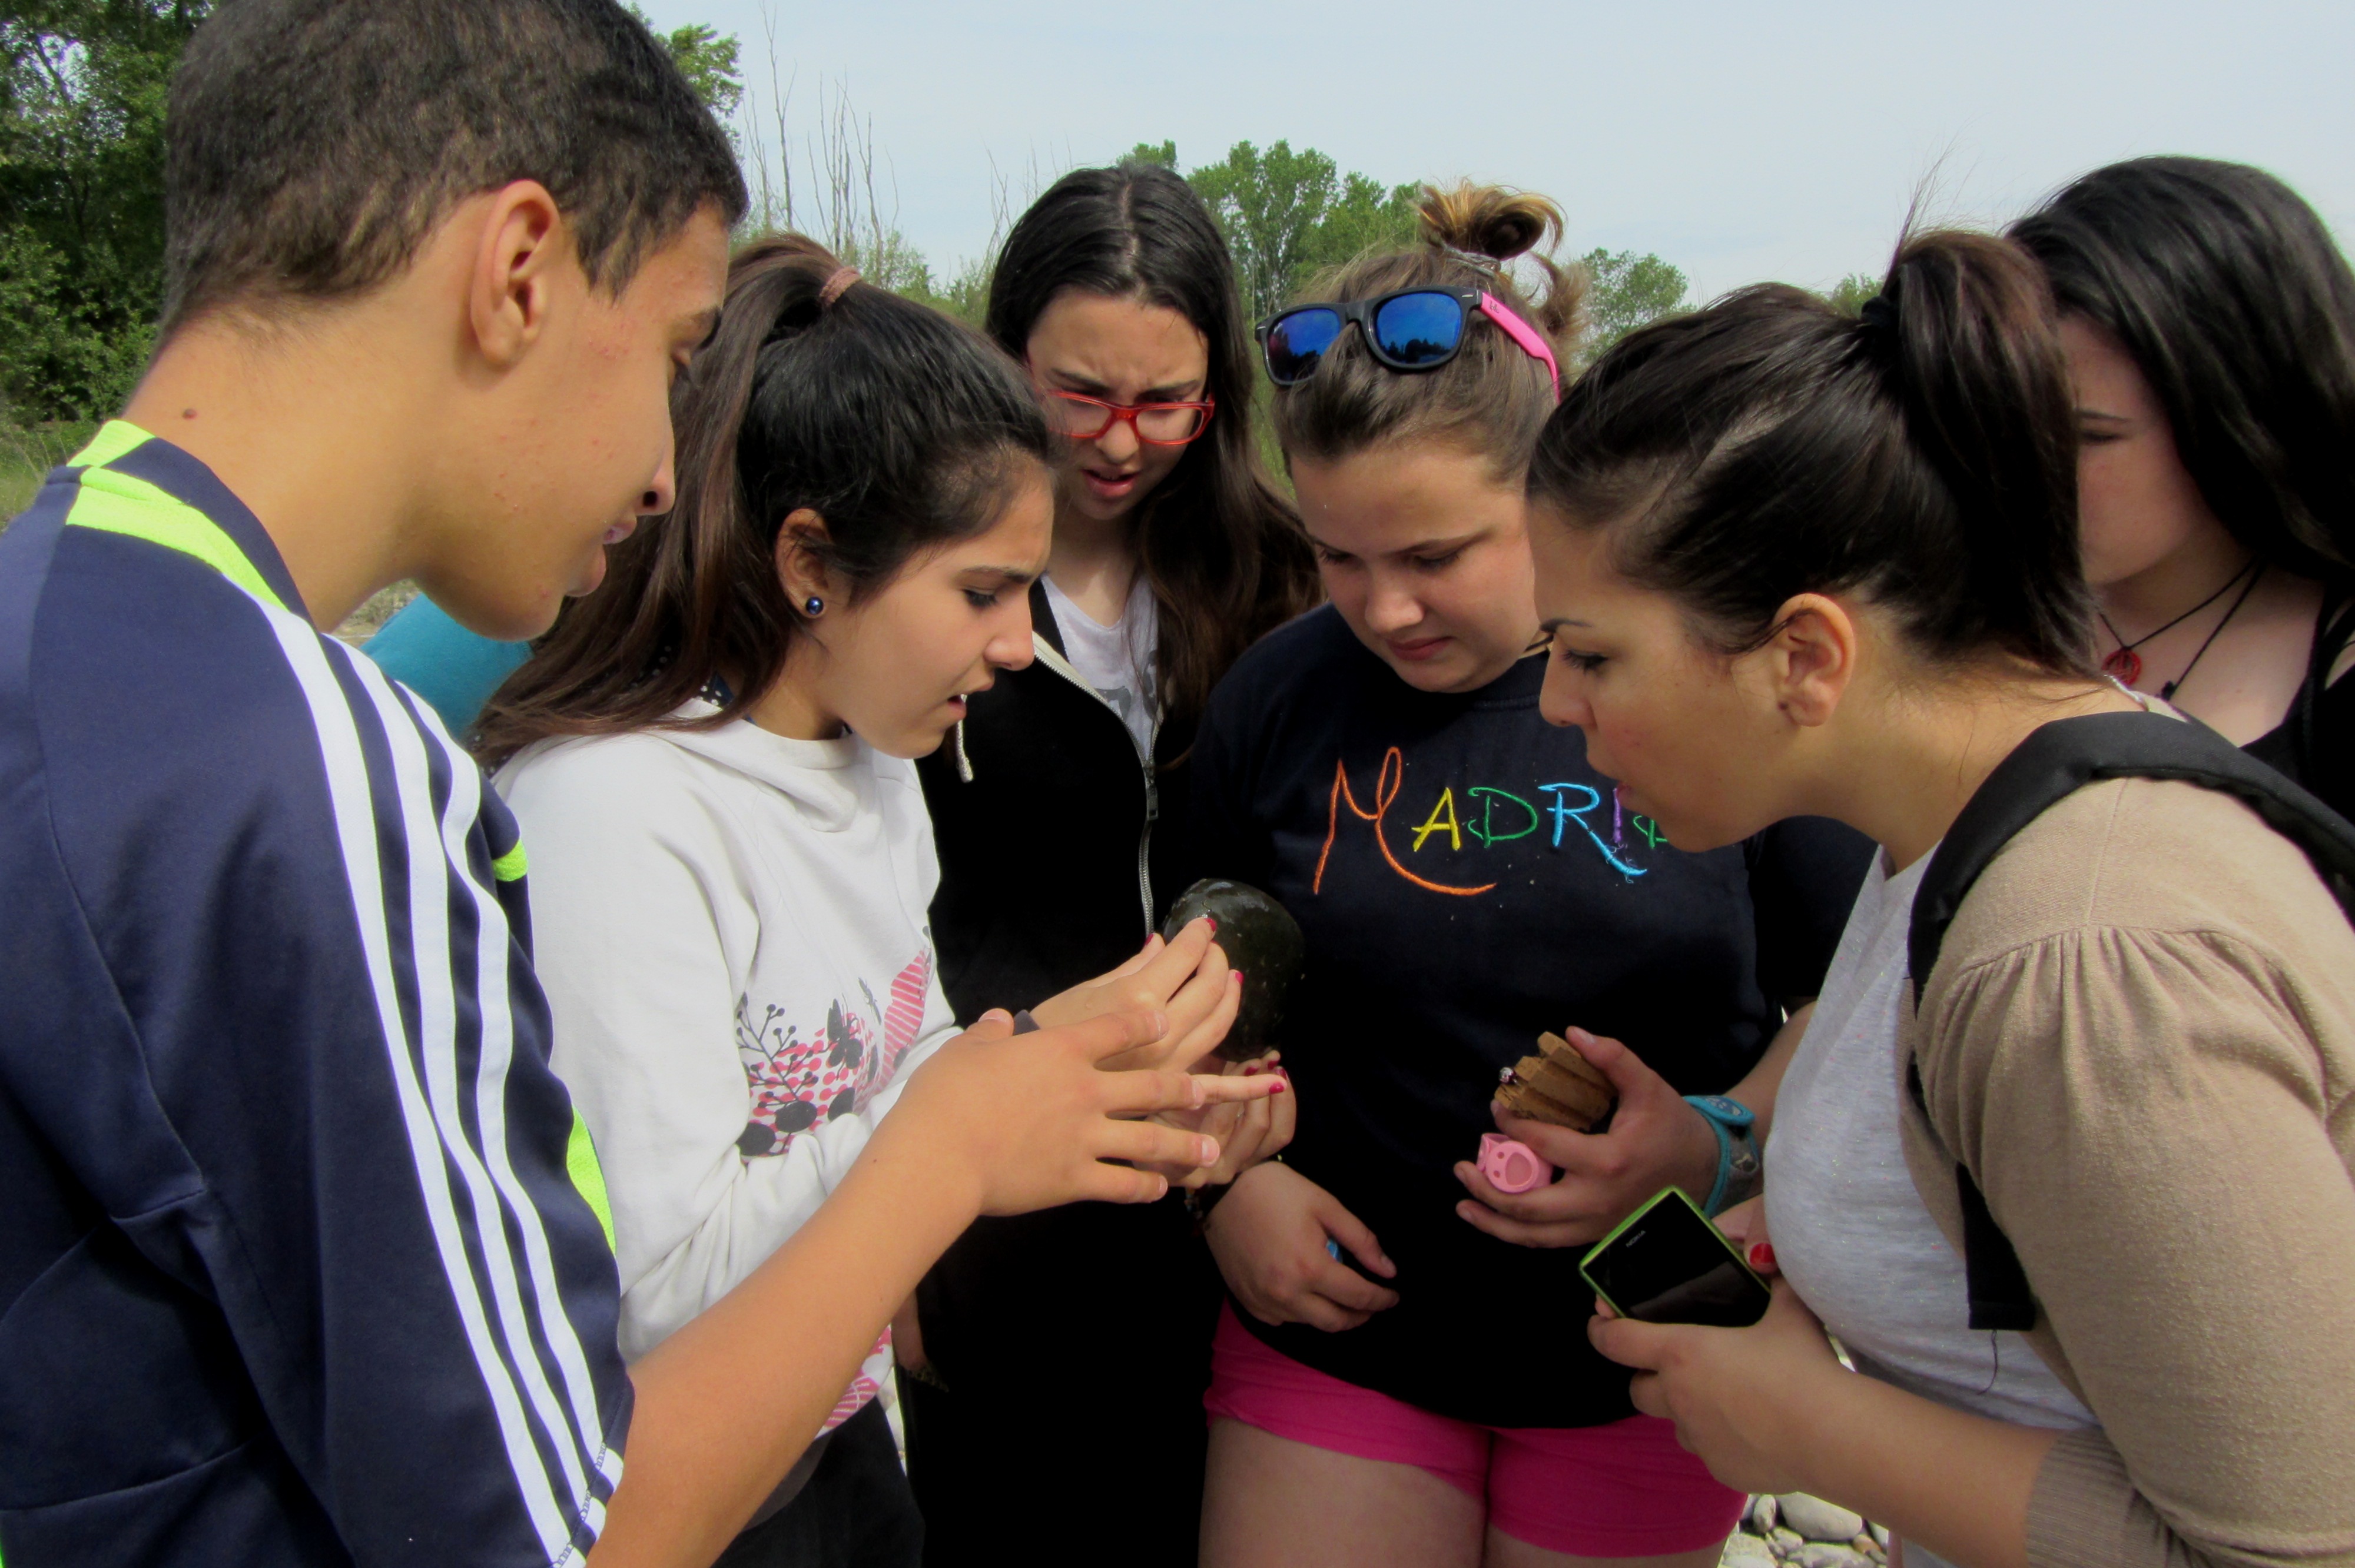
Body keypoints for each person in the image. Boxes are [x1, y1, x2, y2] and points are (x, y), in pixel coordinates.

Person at [0, 6, 1275, 1565]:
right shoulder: (316, 770)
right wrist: (945, 1147)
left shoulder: (64, 630)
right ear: (520, 268)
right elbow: (554, 1528)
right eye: (678, 353)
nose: (676, 474)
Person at [1534, 227, 2355, 1568]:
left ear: (1803, 654)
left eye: (1589, 654)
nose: (1557, 703)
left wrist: (1805, 1428)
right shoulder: (1953, 824)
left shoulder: (2086, 961)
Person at [467, 234, 1258, 1567]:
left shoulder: (874, 764)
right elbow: (661, 1292)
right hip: (687, 1495)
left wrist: (1080, 1061)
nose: (1018, 645)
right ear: (809, 562)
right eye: (982, 592)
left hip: (839, 1442)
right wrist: (962, 1141)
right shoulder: (614, 815)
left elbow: (900, 1063)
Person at [1187, 184, 1872, 1568]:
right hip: (1342, 1328)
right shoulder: (1276, 696)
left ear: (1549, 494)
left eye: (1437, 554)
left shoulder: (1713, 688)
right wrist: (1223, 1187)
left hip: (1651, 1331)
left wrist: (1711, 1138)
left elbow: (1867, 990)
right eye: (1336, 556)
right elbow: (1200, 968)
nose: (1383, 607)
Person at [897, 160, 1320, 1568]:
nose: (1123, 439)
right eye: (1078, 393)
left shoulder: (1280, 580)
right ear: (1002, 356)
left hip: (1221, 1191)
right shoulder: (923, 581)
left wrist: (1264, 1127)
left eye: (1167, 401)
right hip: (990, 1198)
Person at [2011, 157, 2355, 816]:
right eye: (2007, 422)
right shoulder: (1968, 604)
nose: (2028, 466)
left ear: (2242, 420)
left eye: (2089, 436)